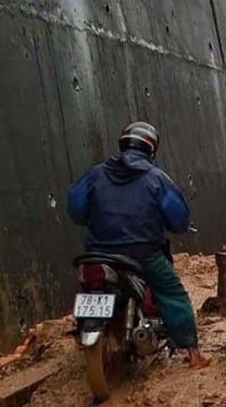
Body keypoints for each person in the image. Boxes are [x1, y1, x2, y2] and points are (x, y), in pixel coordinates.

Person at [67, 121, 209, 370]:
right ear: (151, 149)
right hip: (143, 254)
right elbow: (177, 220)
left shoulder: (95, 174)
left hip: (98, 252)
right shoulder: (156, 179)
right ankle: (193, 354)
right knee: (172, 295)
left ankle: (86, 329)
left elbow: (76, 210)